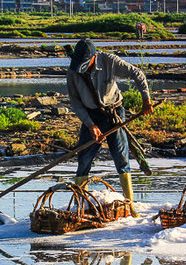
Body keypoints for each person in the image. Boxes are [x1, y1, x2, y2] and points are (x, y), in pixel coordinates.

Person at [66, 38, 153, 217]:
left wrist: (146, 99)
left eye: (85, 63)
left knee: (121, 158)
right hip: (91, 116)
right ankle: (81, 205)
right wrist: (90, 125)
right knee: (83, 159)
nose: (81, 66)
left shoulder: (109, 61)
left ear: (93, 58)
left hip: (113, 113)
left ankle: (130, 207)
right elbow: (76, 102)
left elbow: (137, 74)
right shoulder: (73, 71)